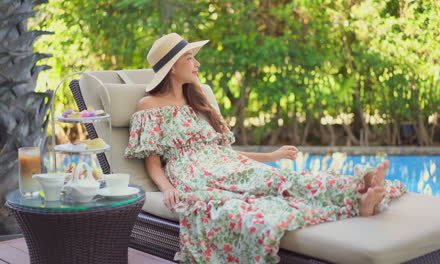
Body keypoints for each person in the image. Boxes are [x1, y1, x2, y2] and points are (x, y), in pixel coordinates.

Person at [124, 33, 407, 264]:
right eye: (190, 58)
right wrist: (167, 188)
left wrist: (271, 156)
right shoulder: (149, 106)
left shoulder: (197, 103)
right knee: (267, 188)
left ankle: (357, 191)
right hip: (193, 172)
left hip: (224, 164)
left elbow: (223, 152)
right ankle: (356, 194)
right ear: (173, 66)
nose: (197, 63)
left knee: (279, 178)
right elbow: (153, 163)